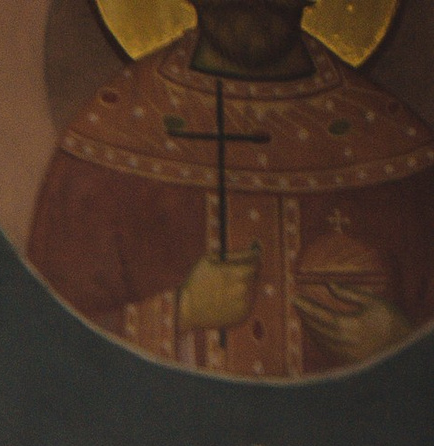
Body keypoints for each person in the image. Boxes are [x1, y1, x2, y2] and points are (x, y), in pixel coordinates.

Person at [26, 0, 434, 379]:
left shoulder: (392, 143)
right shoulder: (111, 135)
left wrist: (399, 342)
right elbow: (43, 354)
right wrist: (181, 313)